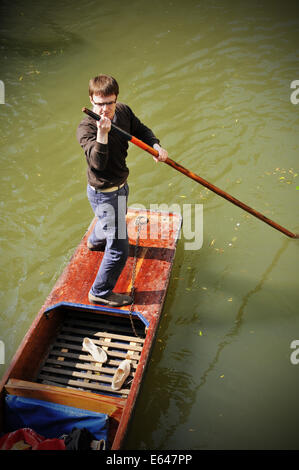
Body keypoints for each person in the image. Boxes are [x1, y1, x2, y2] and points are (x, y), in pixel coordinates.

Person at [77, 74, 168, 307]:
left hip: (121, 186)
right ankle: (100, 291)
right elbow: (98, 164)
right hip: (103, 192)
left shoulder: (124, 112)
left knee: (112, 221)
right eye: (99, 103)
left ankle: (95, 241)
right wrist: (102, 134)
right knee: (119, 249)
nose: (105, 109)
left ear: (116, 99)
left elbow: (141, 130)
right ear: (91, 100)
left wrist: (155, 146)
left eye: (109, 103)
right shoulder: (86, 128)